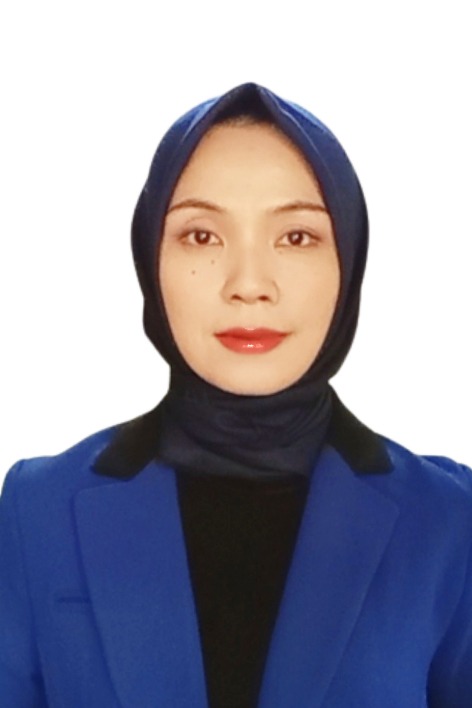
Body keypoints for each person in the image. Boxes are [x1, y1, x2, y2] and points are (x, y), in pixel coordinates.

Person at [1, 82, 471, 708]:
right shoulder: (38, 509)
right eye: (202, 236)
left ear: (349, 261)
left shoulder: (447, 521)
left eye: (296, 237)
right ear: (150, 258)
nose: (249, 284)